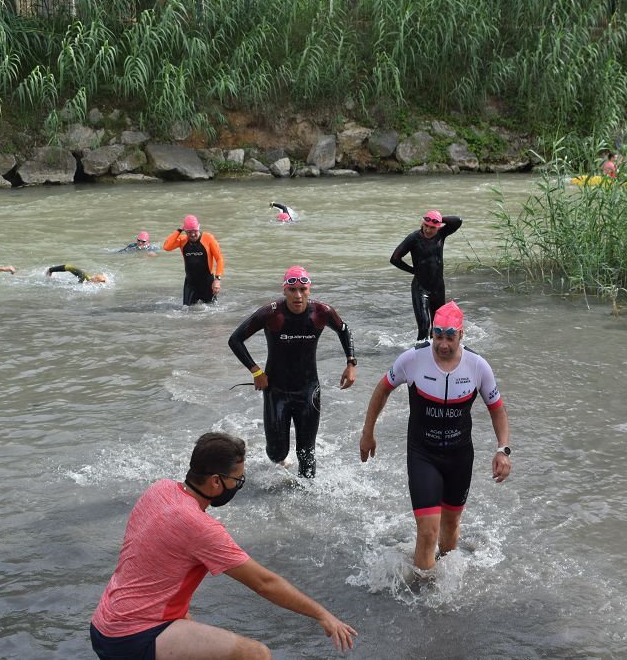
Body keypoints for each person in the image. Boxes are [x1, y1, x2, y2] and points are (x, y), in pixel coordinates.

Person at [90, 432, 357, 660]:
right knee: (257, 655)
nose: (239, 486)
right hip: (133, 635)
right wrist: (322, 614)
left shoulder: (159, 489)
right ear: (215, 482)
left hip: (105, 621)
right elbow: (264, 582)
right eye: (237, 480)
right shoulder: (199, 527)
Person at [359, 301, 511, 570]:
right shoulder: (412, 360)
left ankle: (442, 589)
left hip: (459, 456)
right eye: (438, 336)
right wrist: (368, 433)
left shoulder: (478, 366)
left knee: (450, 530)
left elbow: (497, 410)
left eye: (449, 337)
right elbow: (382, 390)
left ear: (461, 335)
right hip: (423, 454)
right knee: (428, 531)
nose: (443, 344)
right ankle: (422, 595)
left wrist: (503, 450)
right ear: (432, 333)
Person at [228, 266, 356, 478]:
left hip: (308, 390)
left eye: (303, 289)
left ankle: (305, 502)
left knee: (307, 454)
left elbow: (344, 330)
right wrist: (256, 371)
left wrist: (351, 363)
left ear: (309, 290)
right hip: (276, 390)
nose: (298, 295)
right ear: (284, 291)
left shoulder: (321, 312)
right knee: (277, 452)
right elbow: (235, 339)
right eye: (292, 290)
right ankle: (281, 460)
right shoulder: (271, 313)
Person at [390, 209, 462, 342]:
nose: (428, 230)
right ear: (422, 224)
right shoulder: (413, 238)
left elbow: (458, 221)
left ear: (438, 227)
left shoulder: (441, 234)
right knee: (424, 326)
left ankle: (433, 354)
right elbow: (394, 258)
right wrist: (413, 271)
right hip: (421, 287)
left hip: (438, 288)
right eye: (426, 226)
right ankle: (418, 355)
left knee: (438, 326)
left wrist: (439, 218)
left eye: (432, 227)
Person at [163, 215, 224, 305]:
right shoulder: (182, 240)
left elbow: (219, 259)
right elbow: (166, 247)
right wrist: (179, 230)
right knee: (186, 312)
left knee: (212, 312)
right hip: (190, 283)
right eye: (189, 232)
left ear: (198, 227)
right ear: (185, 230)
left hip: (207, 283)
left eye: (195, 231)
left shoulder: (208, 238)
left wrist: (217, 279)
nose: (192, 234)